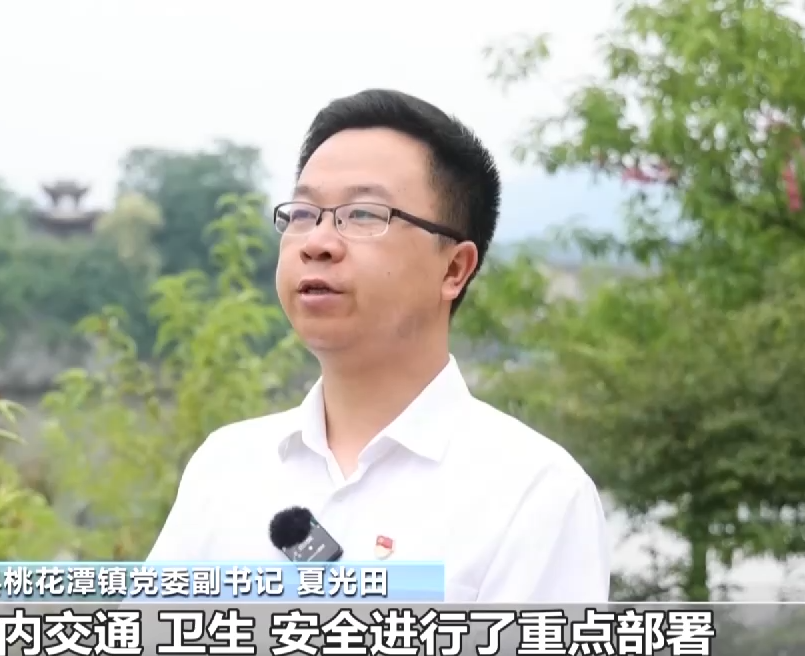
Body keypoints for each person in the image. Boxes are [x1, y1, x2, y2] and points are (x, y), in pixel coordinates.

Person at [147, 89, 610, 602]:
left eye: (364, 214)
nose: (317, 242)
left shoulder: (534, 492)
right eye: (303, 213)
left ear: (454, 269)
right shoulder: (226, 465)